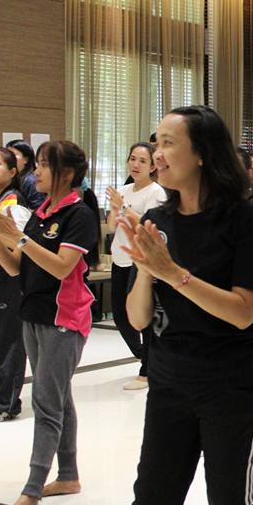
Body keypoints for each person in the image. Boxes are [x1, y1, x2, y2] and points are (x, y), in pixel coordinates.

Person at [109, 106, 253, 505]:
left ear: (201, 153)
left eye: (167, 143)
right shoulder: (157, 220)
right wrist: (147, 266)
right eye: (155, 143)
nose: (156, 154)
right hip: (169, 380)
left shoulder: (245, 217)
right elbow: (138, 318)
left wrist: (173, 272)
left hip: (232, 383)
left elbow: (243, 312)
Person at [0, 140, 98, 505]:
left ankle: (31, 492)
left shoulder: (79, 215)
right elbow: (16, 267)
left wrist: (18, 236)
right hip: (34, 314)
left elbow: (62, 267)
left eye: (43, 165)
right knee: (59, 398)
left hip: (65, 318)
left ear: (65, 174)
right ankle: (67, 475)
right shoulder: (40, 212)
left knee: (47, 404)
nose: (35, 171)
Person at [106, 142, 167, 390]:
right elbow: (112, 226)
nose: (136, 164)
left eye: (142, 160)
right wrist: (116, 208)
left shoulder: (156, 192)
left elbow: (149, 224)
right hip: (119, 257)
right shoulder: (123, 190)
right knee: (121, 316)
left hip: (140, 261)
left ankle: (147, 371)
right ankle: (147, 356)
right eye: (133, 159)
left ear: (152, 166)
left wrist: (123, 207)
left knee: (143, 316)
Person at [0, 148, 31, 423]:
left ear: (13, 171)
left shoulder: (13, 203)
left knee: (8, 341)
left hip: (5, 277)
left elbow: (20, 248)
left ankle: (7, 403)